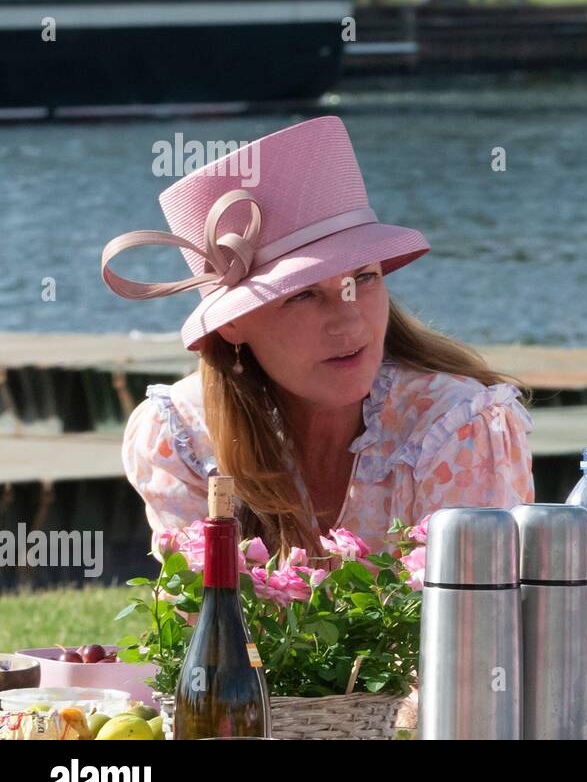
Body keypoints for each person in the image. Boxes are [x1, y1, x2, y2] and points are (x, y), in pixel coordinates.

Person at [102, 115, 535, 564]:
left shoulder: (458, 428)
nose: (349, 325)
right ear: (233, 324)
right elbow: (206, 623)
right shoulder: (181, 437)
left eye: (363, 278)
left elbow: (471, 624)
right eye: (303, 295)